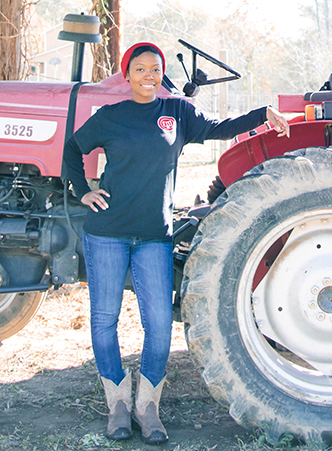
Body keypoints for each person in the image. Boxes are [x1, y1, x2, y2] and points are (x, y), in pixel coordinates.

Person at [63, 42, 290, 444]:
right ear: (127, 74)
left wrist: (261, 116)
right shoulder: (110, 117)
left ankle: (147, 406)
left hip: (154, 235)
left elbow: (220, 127)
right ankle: (117, 403)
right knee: (104, 320)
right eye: (140, 69)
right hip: (107, 232)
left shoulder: (177, 114)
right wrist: (83, 191)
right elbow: (72, 148)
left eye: (155, 69)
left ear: (160, 75)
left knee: (160, 324)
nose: (148, 76)